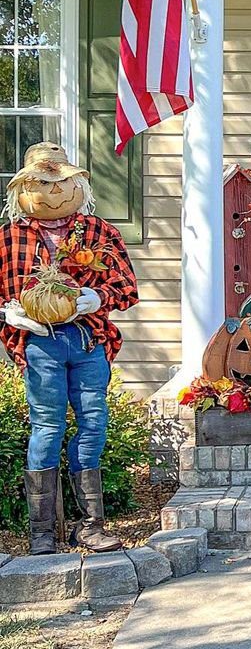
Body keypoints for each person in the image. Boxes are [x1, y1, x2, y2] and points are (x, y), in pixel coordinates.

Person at [0, 144, 139, 554]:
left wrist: (98, 297)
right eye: (43, 184)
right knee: (47, 426)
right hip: (39, 341)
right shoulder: (8, 237)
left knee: (93, 422)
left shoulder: (99, 232)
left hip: (86, 339)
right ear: (24, 190)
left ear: (78, 185)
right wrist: (9, 314)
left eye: (62, 182)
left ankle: (90, 525)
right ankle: (42, 532)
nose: (54, 191)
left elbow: (127, 287)